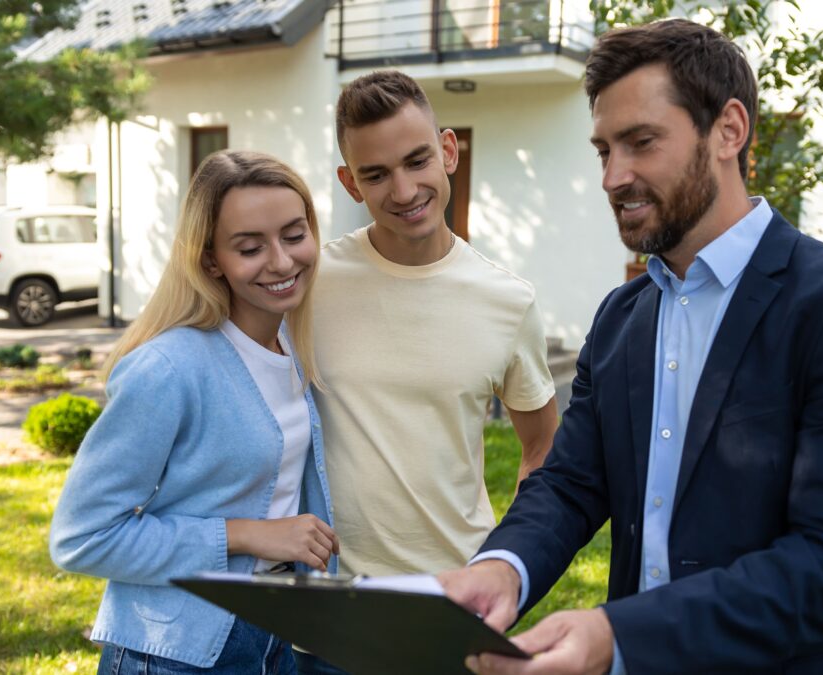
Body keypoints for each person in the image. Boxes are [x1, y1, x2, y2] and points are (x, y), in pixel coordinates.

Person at [439, 18, 823, 675]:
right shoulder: (620, 317)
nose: (614, 176)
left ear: (729, 129)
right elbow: (570, 482)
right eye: (603, 151)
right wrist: (504, 567)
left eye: (641, 142)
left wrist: (619, 635)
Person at [295, 70, 559, 673]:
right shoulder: (311, 283)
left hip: (453, 606)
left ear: (448, 151)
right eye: (376, 173)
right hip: (331, 613)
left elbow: (542, 449)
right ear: (350, 183)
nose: (404, 188)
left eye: (417, 161)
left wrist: (508, 563)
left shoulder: (507, 299)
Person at [49, 150, 339, 674]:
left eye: (294, 236)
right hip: (177, 653)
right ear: (211, 261)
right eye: (250, 247)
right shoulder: (168, 369)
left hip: (275, 634)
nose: (280, 261)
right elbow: (81, 538)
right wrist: (249, 533)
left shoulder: (290, 348)